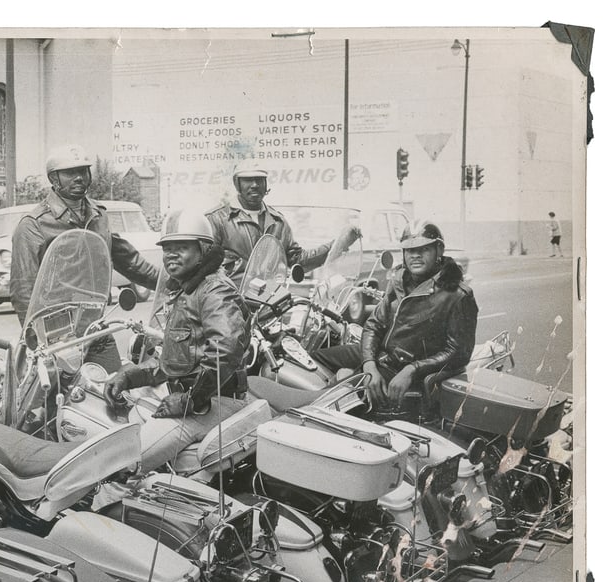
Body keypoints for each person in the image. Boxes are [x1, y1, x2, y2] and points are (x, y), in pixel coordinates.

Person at [102, 210, 248, 473]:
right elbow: (177, 358)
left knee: (120, 463)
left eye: (182, 247)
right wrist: (131, 375)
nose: (171, 255)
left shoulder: (214, 290)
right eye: (167, 248)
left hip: (212, 402)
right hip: (194, 398)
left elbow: (225, 350)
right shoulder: (187, 289)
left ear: (203, 250)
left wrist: (189, 400)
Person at [9, 144, 159, 371]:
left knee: (113, 392)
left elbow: (129, 261)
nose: (79, 177)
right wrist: (37, 340)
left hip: (96, 327)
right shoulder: (34, 225)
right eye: (70, 173)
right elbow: (23, 289)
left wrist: (175, 280)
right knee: (58, 400)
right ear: (54, 179)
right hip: (56, 333)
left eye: (83, 171)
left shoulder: (98, 216)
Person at [313, 221, 478, 409]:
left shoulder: (457, 295)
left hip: (406, 368)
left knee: (339, 397)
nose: (415, 255)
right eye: (409, 250)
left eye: (423, 249)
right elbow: (374, 325)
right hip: (382, 355)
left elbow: (458, 352)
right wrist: (369, 364)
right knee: (312, 359)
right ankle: (344, 376)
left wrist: (413, 369)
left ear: (439, 249)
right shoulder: (399, 280)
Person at [206, 161, 360, 281]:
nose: (254, 185)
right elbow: (202, 267)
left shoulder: (278, 222)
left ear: (266, 183)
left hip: (269, 303)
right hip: (231, 302)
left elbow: (298, 260)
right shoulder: (217, 219)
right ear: (237, 183)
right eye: (247, 180)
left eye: (259, 180)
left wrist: (339, 243)